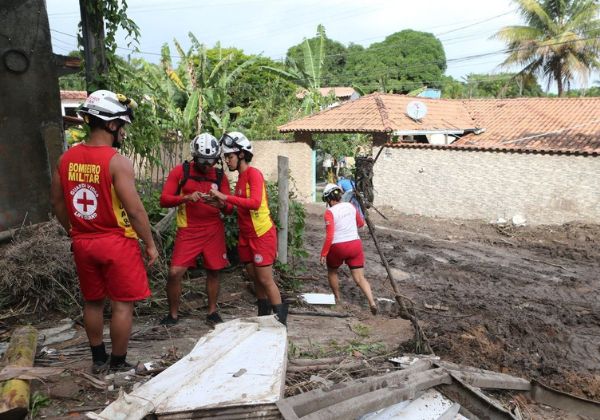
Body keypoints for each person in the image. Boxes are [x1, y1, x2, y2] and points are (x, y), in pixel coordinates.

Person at [50, 90, 158, 373]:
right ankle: (118, 363)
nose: (123, 131)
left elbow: (57, 202)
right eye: (122, 125)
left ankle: (98, 358)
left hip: (83, 243)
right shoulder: (116, 161)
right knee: (122, 304)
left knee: (93, 301)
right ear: (111, 125)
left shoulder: (66, 159)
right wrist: (149, 243)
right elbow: (135, 210)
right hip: (116, 242)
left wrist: (73, 230)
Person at [209, 131, 288, 325]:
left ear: (241, 154)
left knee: (265, 278)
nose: (227, 161)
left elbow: (253, 203)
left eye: (230, 156)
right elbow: (237, 207)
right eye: (226, 157)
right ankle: (263, 315)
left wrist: (225, 197)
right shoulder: (240, 179)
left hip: (261, 234)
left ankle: (280, 322)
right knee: (254, 277)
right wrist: (220, 203)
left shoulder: (254, 174)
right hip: (246, 236)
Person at [159, 133, 233, 327]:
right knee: (175, 272)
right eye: (202, 161)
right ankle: (173, 314)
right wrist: (186, 198)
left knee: (214, 271)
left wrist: (219, 203)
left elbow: (231, 207)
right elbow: (164, 200)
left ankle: (212, 311)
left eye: (211, 161)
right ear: (194, 156)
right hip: (188, 230)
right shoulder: (181, 171)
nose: (207, 166)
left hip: (213, 229)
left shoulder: (219, 175)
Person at [319, 183, 377, 315]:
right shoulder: (350, 206)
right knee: (360, 278)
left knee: (332, 272)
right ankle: (372, 302)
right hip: (355, 245)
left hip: (337, 247)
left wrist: (324, 253)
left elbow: (330, 235)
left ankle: (338, 299)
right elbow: (361, 223)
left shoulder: (329, 213)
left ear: (328, 199)